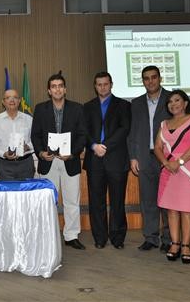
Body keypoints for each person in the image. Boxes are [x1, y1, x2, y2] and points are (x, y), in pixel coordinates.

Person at [31, 73, 86, 250]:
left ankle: (71, 235)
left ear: (65, 89)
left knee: (71, 201)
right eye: (53, 86)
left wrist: (73, 152)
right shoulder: (40, 109)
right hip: (48, 161)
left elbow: (82, 135)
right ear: (49, 90)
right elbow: (35, 135)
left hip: (70, 161)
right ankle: (49, 233)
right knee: (48, 201)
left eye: (60, 85)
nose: (57, 89)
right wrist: (40, 152)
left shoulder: (77, 108)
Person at [154, 90, 190, 263]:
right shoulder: (163, 124)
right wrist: (167, 163)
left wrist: (179, 162)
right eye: (170, 101)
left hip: (188, 171)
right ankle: (174, 244)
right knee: (171, 209)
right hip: (168, 171)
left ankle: (186, 246)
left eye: (177, 100)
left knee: (186, 209)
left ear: (185, 103)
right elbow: (158, 147)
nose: (173, 104)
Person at [82, 72, 131, 249]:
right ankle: (100, 238)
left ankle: (117, 238)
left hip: (116, 159)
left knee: (117, 201)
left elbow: (124, 128)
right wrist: (94, 146)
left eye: (105, 84)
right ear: (95, 86)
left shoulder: (124, 105)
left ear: (111, 84)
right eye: (99, 84)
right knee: (96, 201)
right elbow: (83, 131)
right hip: (94, 159)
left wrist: (105, 146)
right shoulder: (87, 107)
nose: (102, 87)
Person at [128, 65, 172, 252]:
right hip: (145, 157)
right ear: (143, 81)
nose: (150, 81)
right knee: (148, 200)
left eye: (154, 77)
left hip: (167, 157)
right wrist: (133, 157)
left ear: (160, 78)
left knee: (168, 200)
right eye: (146, 78)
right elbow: (132, 133)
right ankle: (151, 238)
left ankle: (170, 238)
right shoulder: (136, 103)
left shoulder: (172, 99)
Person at [0, 89, 35, 180]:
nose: (12, 100)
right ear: (3, 102)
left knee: (26, 193)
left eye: (15, 97)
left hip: (26, 164)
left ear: (19, 101)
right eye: (8, 98)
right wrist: (4, 153)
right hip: (5, 165)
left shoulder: (29, 119)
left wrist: (28, 147)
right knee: (7, 193)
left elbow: (36, 139)